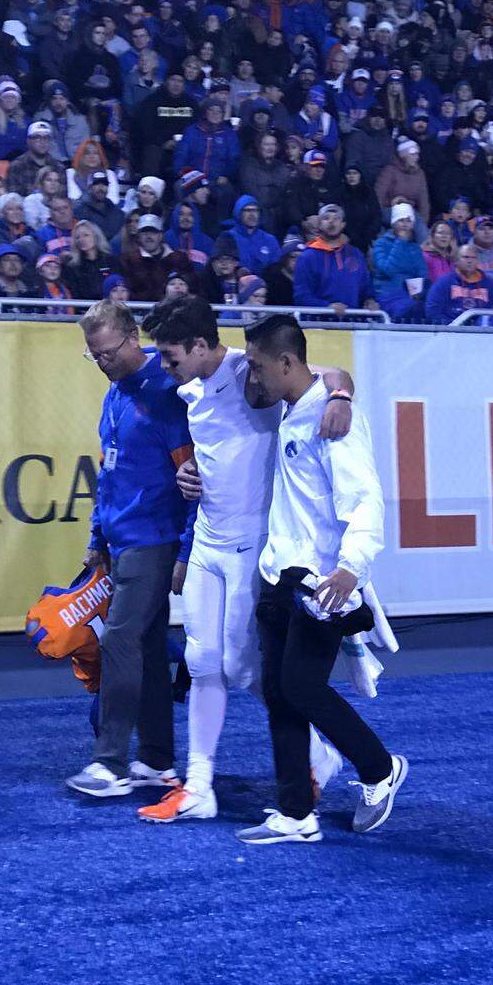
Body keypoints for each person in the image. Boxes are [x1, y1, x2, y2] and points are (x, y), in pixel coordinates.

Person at [135, 293, 353, 823]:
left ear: (200, 345)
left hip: (250, 544)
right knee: (200, 661)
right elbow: (213, 452)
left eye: (170, 356)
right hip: (207, 540)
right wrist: (189, 473)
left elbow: (328, 373)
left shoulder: (249, 373)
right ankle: (199, 788)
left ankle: (318, 753)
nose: (164, 367)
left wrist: (342, 396)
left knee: (239, 665)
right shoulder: (189, 384)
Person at [237, 314, 407, 844]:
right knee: (278, 690)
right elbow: (329, 372)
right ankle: (295, 814)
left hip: (322, 582)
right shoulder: (301, 405)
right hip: (280, 573)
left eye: (258, 367)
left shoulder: (333, 419)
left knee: (299, 686)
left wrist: (351, 566)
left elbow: (366, 498)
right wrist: (340, 387)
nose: (253, 378)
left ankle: (380, 768)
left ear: (286, 362)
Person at [65, 301, 195, 799]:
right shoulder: (115, 394)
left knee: (119, 642)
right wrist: (97, 538)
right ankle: (157, 762)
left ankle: (110, 763)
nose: (102, 362)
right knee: (145, 647)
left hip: (155, 538)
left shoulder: (168, 392)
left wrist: (184, 551)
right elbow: (110, 474)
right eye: (93, 355)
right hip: (123, 540)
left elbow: (194, 479)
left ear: (133, 336)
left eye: (108, 352)